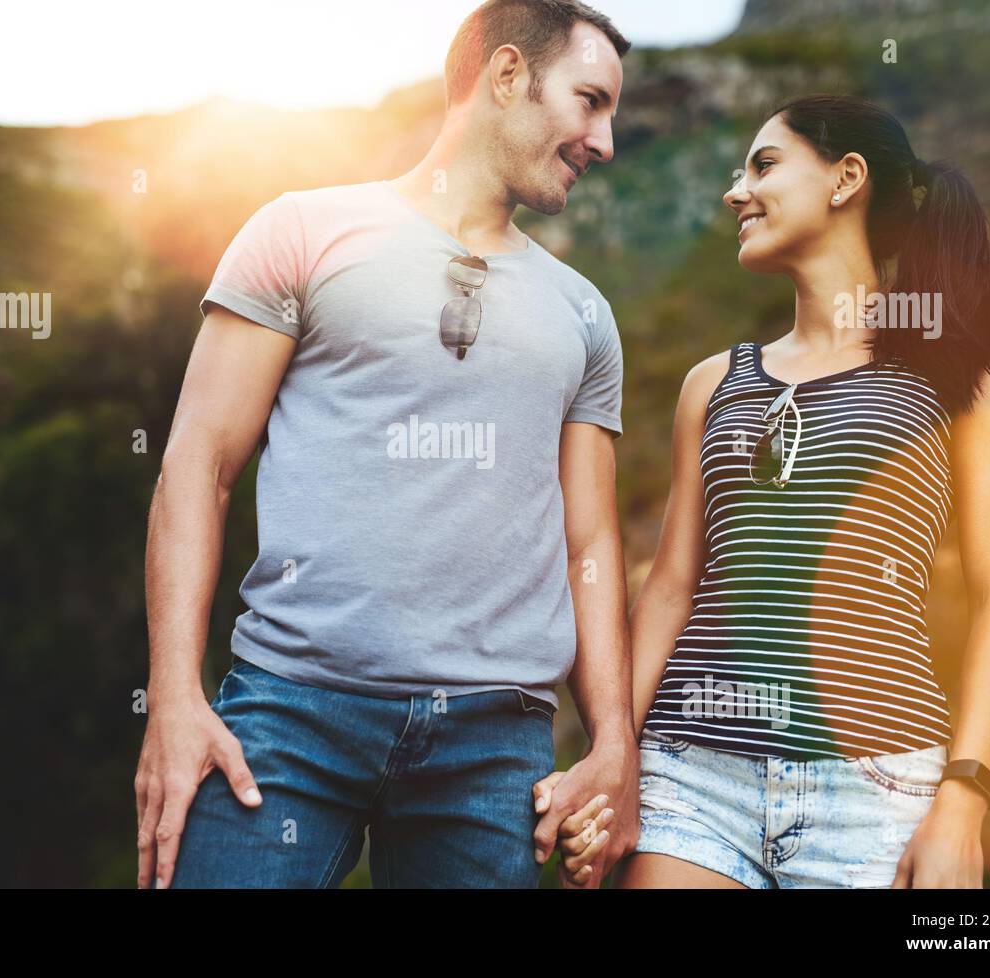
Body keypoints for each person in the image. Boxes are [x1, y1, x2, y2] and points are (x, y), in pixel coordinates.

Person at [135, 0, 639, 888]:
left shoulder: (585, 313)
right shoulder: (301, 232)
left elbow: (590, 544)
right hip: (288, 714)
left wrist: (613, 744)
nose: (604, 141)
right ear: (509, 73)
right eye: (591, 100)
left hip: (494, 746)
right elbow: (197, 466)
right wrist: (174, 697)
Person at [547, 94, 990, 888]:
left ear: (847, 179)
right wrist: (615, 756)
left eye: (764, 166)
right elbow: (673, 588)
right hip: (692, 777)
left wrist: (964, 801)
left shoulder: (967, 374)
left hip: (875, 794)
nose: (736, 191)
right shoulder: (714, 383)